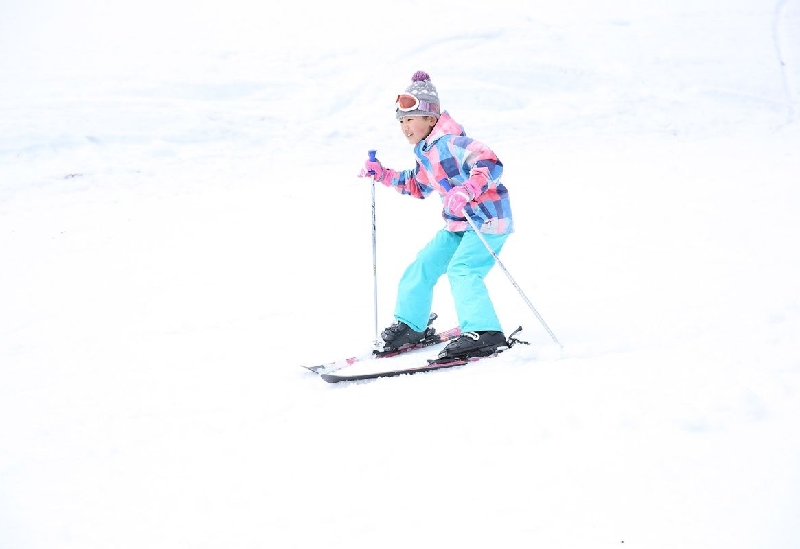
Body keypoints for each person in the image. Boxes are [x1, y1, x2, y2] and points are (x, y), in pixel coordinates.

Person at [358, 70, 514, 360]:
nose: (404, 127)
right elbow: (417, 186)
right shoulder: (426, 152)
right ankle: (411, 325)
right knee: (423, 265)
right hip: (458, 225)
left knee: (462, 270)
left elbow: (490, 161)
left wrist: (468, 189)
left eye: (410, 119)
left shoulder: (452, 143)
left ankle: (485, 332)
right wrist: (383, 175)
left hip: (488, 221)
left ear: (431, 118)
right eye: (401, 121)